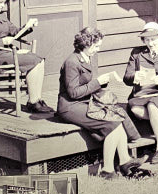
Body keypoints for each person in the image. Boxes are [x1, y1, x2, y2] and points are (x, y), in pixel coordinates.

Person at [56, 27, 143, 179]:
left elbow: (84, 86)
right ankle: (107, 170)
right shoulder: (72, 62)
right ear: (86, 44)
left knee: (116, 117)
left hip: (82, 102)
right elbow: (73, 93)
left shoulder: (85, 57)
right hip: (69, 107)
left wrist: (102, 82)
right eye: (96, 46)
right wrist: (98, 82)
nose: (98, 49)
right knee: (112, 123)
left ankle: (125, 161)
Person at [124, 22, 158, 165]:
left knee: (153, 105)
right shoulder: (137, 53)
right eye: (147, 40)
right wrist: (134, 76)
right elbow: (126, 78)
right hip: (141, 94)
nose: (150, 43)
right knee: (135, 109)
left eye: (153, 39)